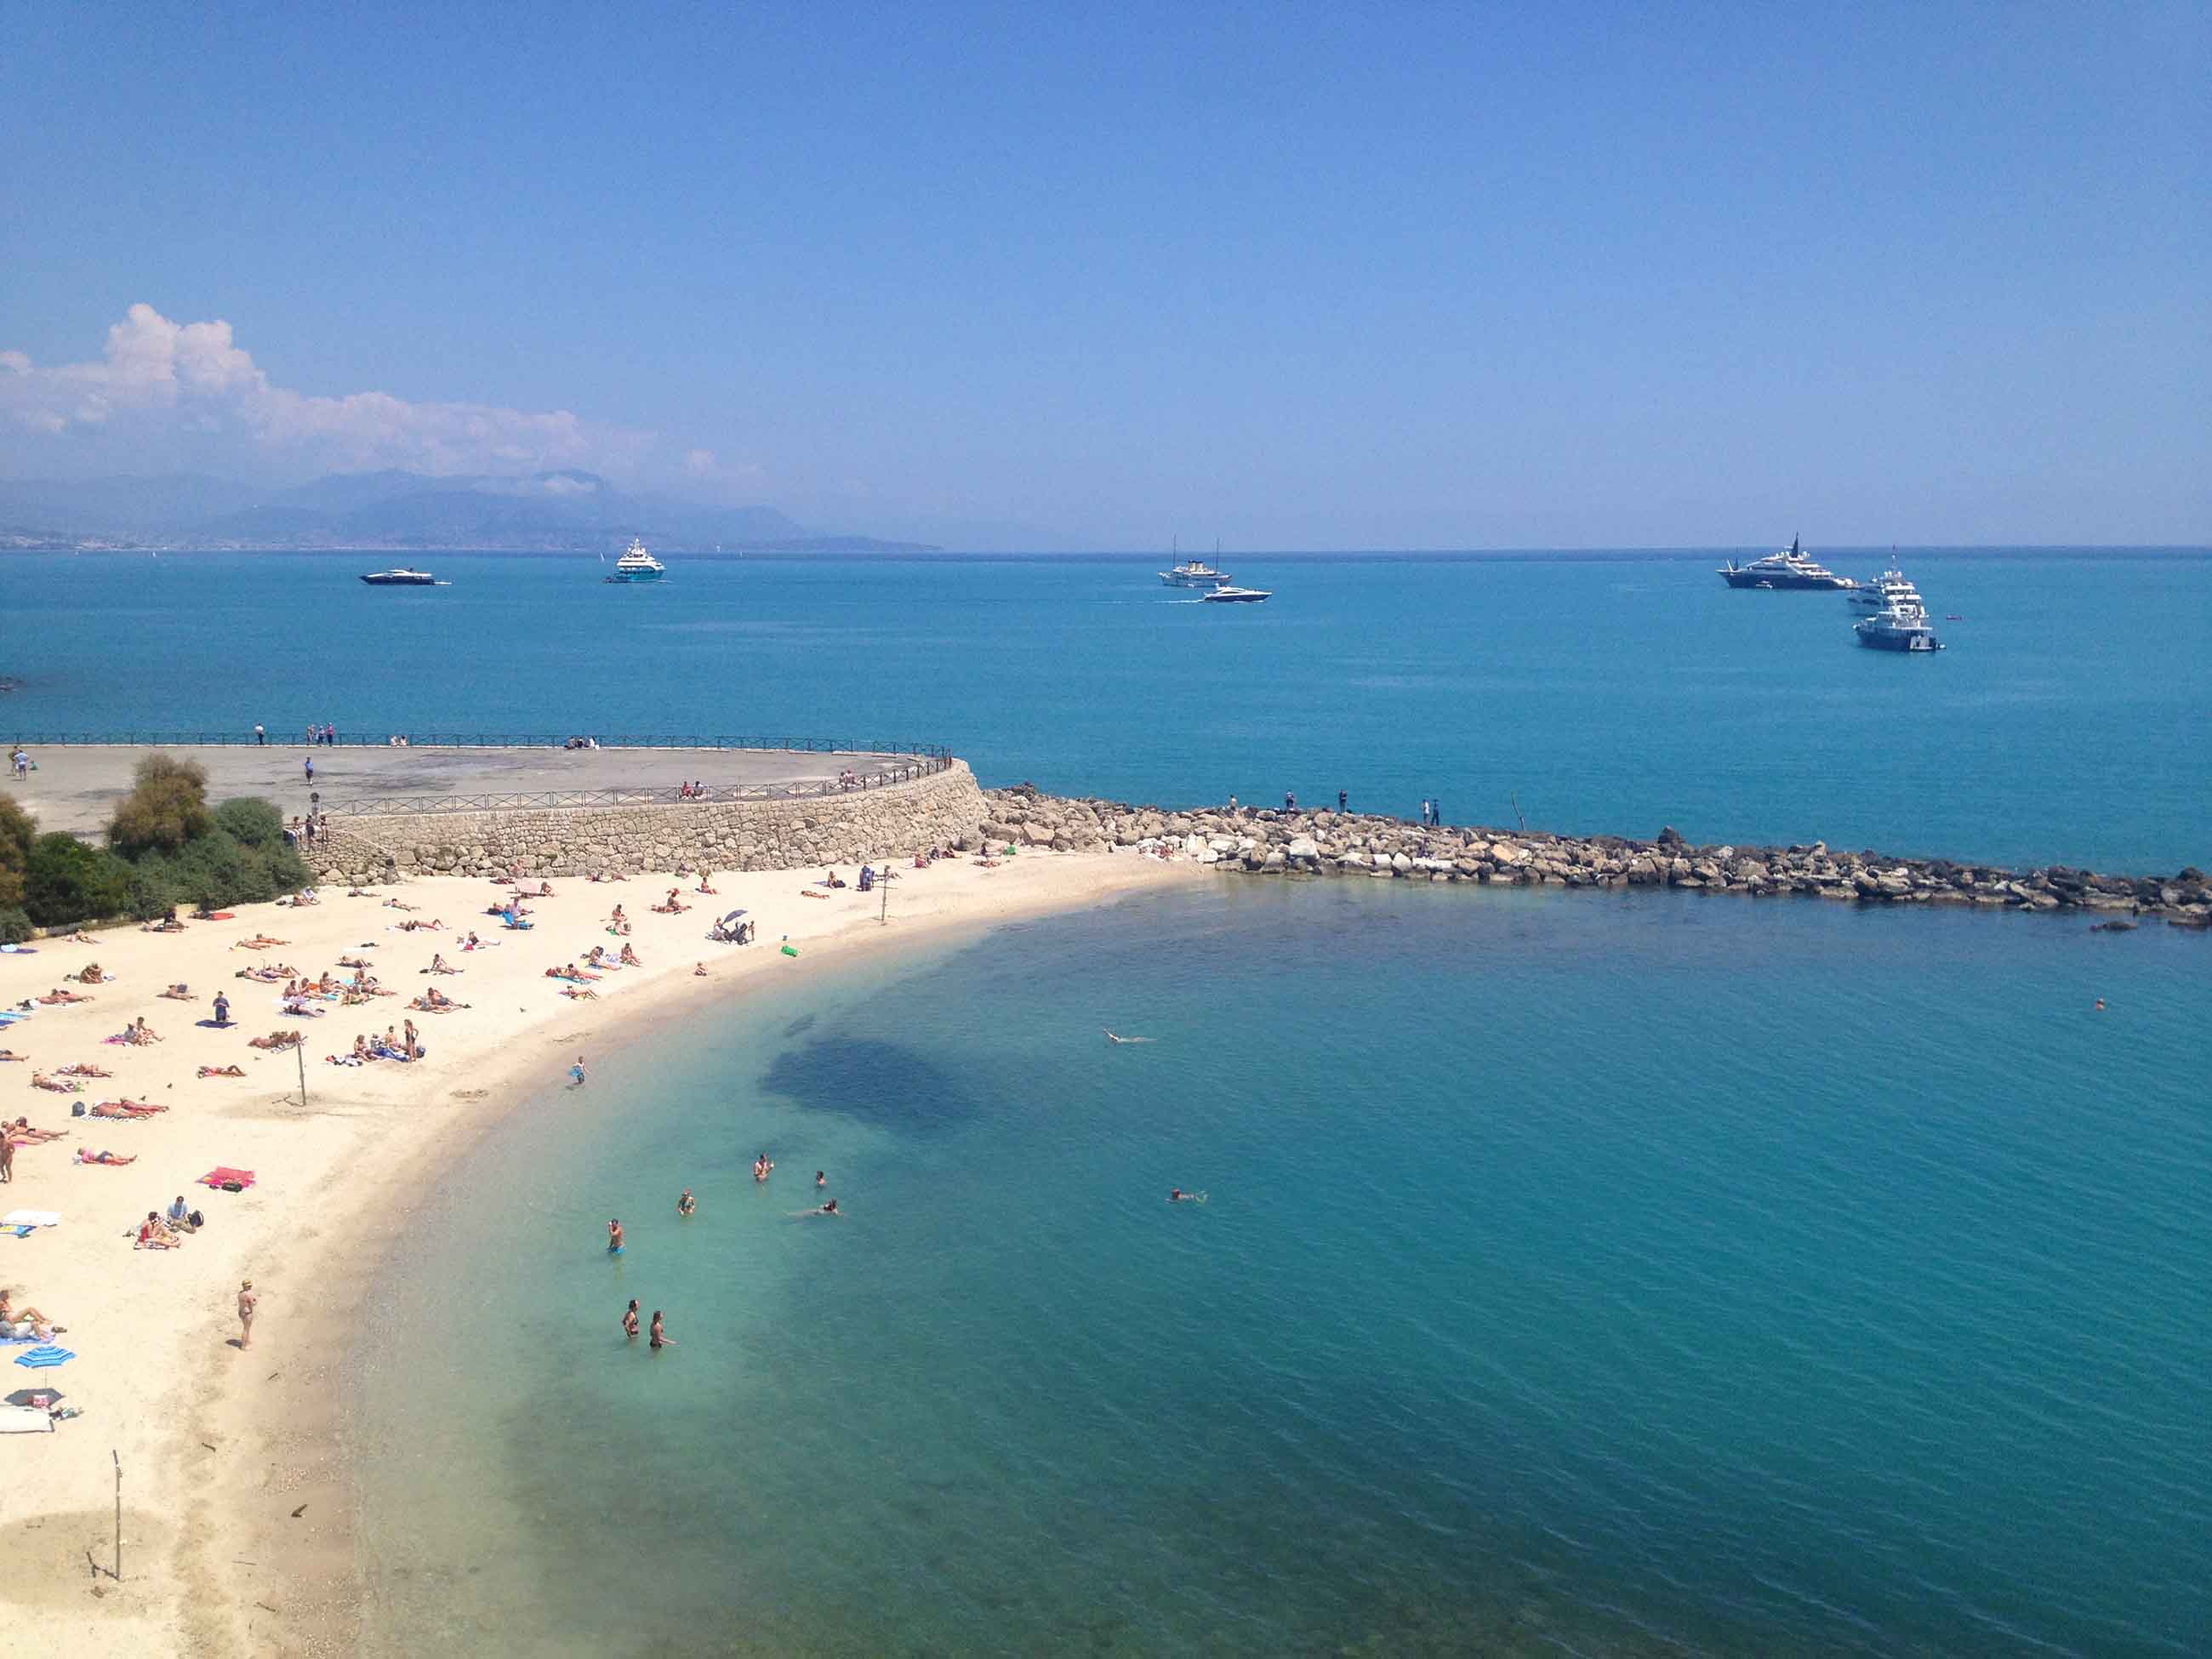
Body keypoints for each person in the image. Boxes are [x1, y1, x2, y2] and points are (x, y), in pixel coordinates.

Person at [237, 1280, 257, 1348]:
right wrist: (255, 1300)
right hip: (247, 1313)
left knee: (246, 1328)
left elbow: (241, 1303)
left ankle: (247, 1342)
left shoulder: (240, 1293)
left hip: (241, 1311)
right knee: (246, 1329)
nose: (250, 1287)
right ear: (246, 1286)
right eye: (249, 1286)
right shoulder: (248, 1294)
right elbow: (253, 1304)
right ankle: (244, 1346)